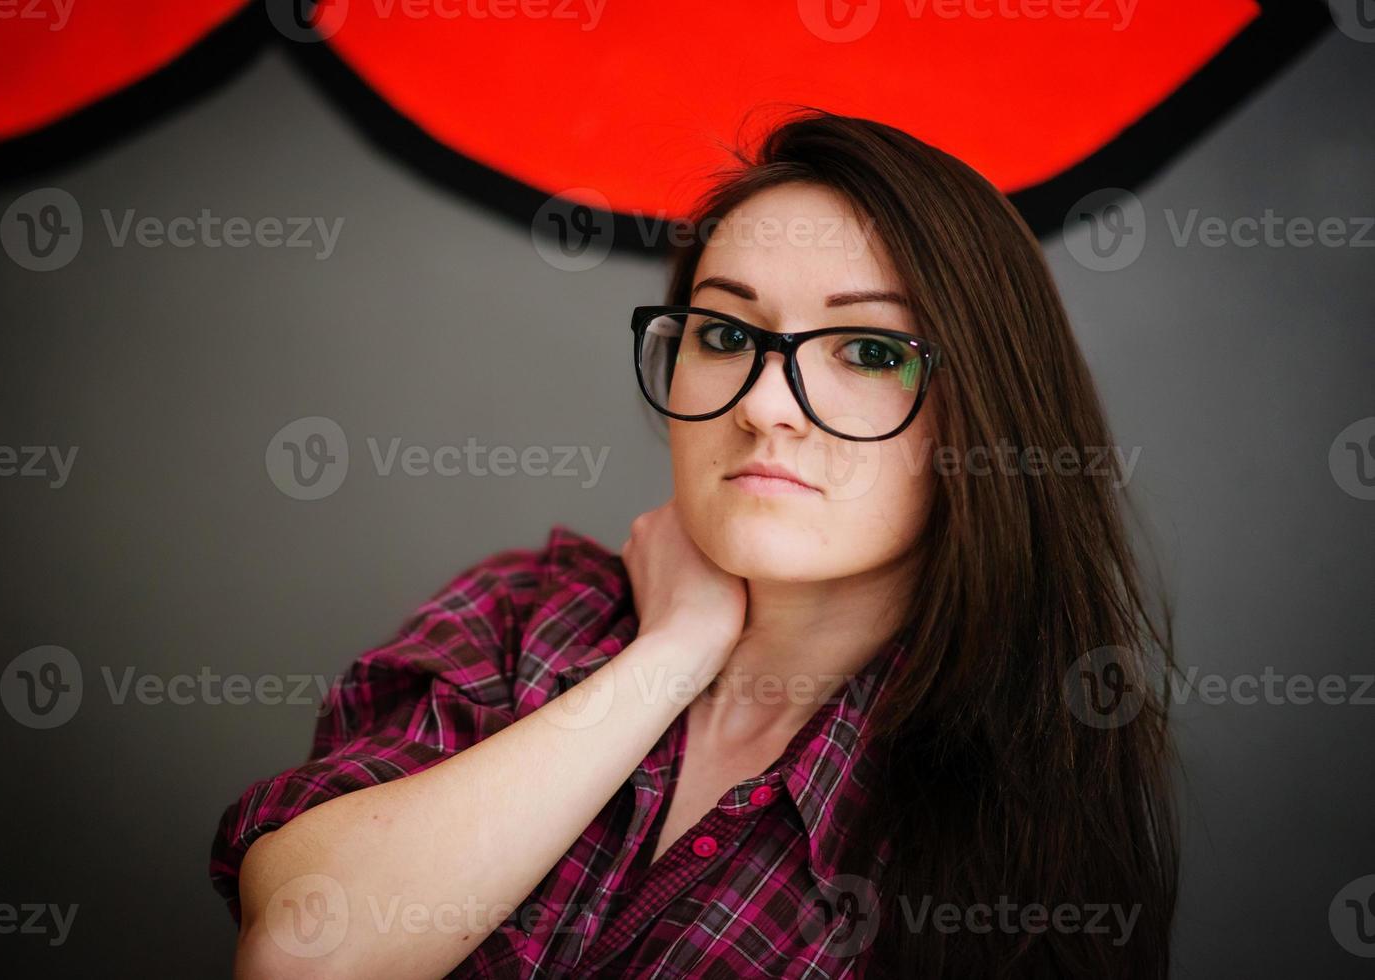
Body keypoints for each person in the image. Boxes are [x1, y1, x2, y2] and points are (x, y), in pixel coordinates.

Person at [210, 107, 1177, 979]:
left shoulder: (1015, 826)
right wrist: (672, 651)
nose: (762, 404)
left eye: (871, 352)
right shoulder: (528, 620)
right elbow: (304, 952)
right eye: (724, 334)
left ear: (988, 420)